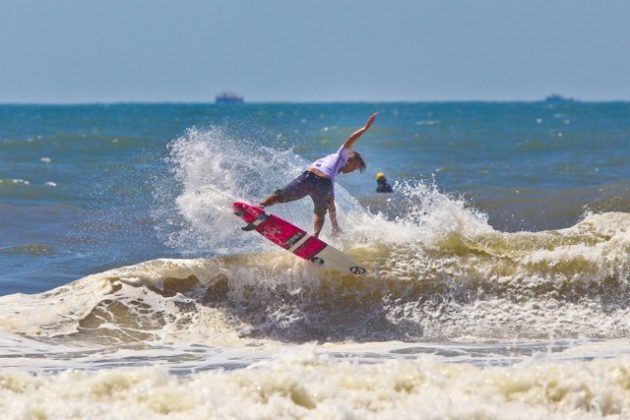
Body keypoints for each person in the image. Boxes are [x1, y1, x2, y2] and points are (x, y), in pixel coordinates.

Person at [259, 112, 377, 237]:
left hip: (313, 180)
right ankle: (260, 207)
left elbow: (331, 206)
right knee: (285, 197)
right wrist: (365, 128)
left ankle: (314, 237)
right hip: (315, 179)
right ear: (350, 159)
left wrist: (335, 226)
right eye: (355, 167)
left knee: (318, 211)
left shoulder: (332, 177)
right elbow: (350, 139)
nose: (352, 171)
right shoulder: (341, 155)